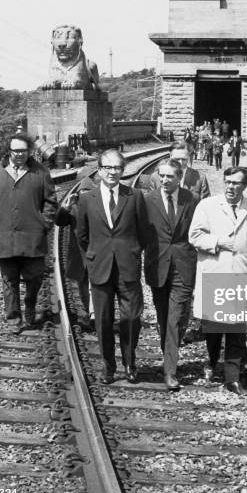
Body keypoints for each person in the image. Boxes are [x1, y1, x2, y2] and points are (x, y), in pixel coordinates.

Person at [189, 166, 247, 395]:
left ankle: (231, 377)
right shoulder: (207, 206)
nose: (231, 187)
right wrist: (219, 242)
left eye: (237, 183)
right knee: (213, 328)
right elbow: (194, 236)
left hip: (241, 275)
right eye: (228, 182)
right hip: (215, 272)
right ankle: (212, 361)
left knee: (235, 329)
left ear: (245, 185)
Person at [76, 149, 148, 384]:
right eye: (108, 167)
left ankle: (130, 362)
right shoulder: (87, 199)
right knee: (103, 320)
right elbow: (82, 235)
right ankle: (109, 366)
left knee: (131, 319)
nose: (112, 172)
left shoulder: (134, 196)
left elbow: (143, 231)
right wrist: (95, 255)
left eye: (117, 167)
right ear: (99, 170)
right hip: (101, 267)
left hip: (128, 266)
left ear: (123, 170)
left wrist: (134, 252)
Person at [0, 133, 57, 334]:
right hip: (4, 236)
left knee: (35, 277)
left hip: (33, 236)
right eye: (16, 150)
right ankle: (14, 319)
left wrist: (45, 223)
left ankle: (30, 302)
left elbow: (50, 201)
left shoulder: (40, 172)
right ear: (9, 150)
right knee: (9, 281)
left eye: (23, 151)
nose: (20, 154)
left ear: (29, 151)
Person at [144, 159, 199, 390]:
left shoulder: (192, 200)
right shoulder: (148, 201)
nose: (165, 180)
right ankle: (168, 353)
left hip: (183, 267)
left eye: (170, 177)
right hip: (158, 266)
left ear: (179, 178)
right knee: (163, 316)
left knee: (175, 319)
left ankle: (170, 371)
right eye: (162, 176)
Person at [54, 174, 96, 326]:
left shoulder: (99, 206)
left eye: (88, 193)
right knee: (82, 283)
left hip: (95, 251)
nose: (84, 196)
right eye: (82, 193)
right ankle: (88, 310)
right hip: (78, 252)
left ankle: (94, 314)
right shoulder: (74, 207)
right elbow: (59, 222)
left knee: (93, 283)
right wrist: (65, 208)